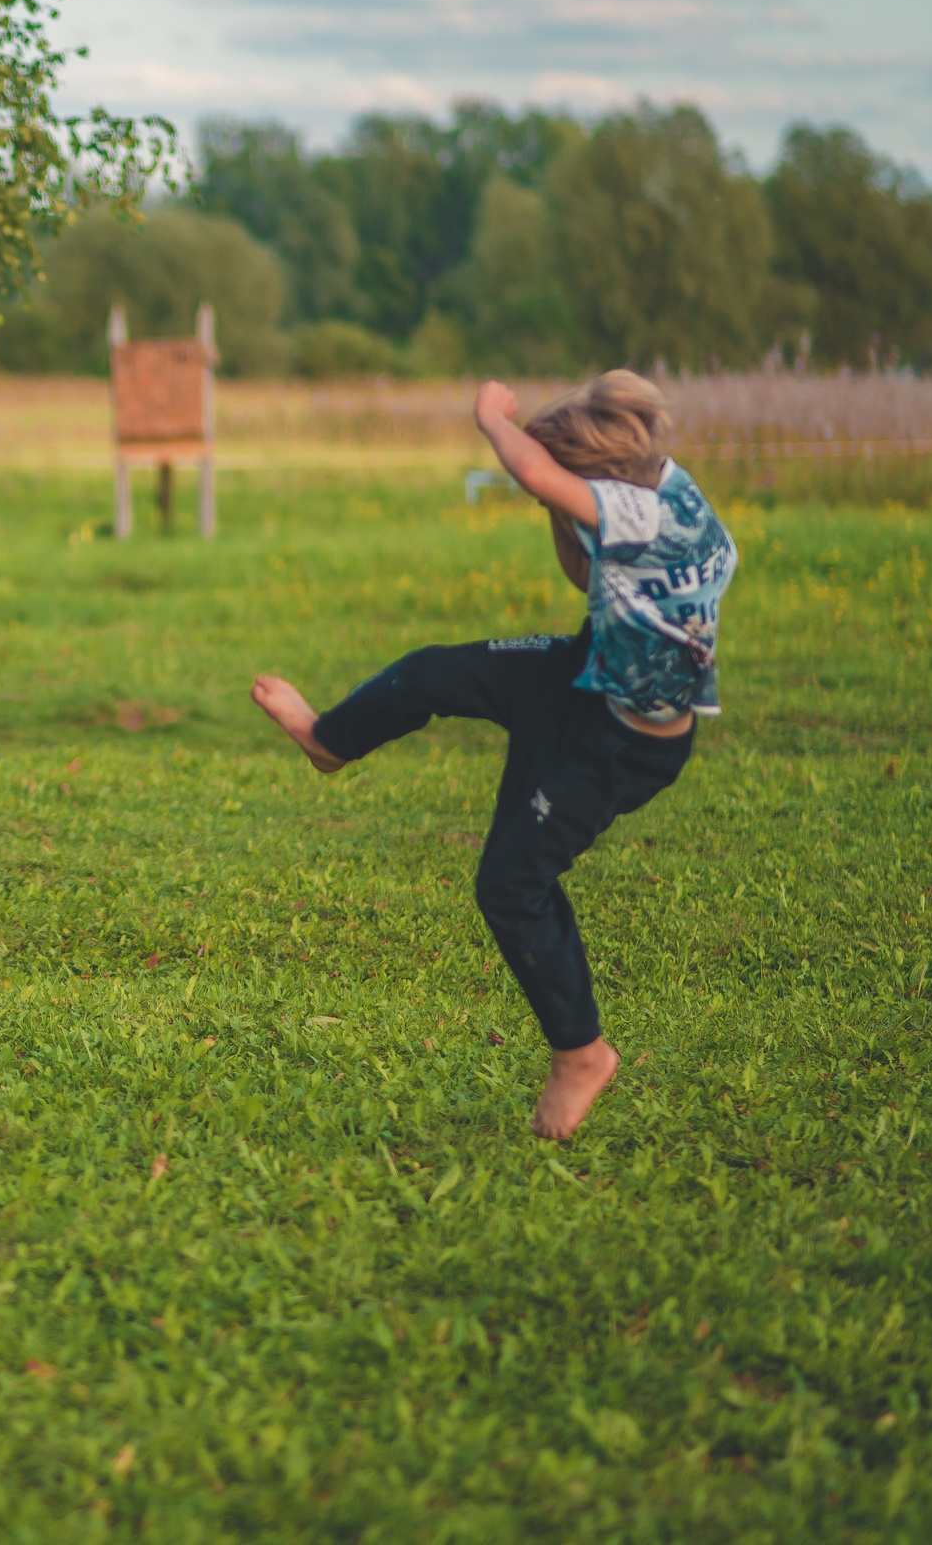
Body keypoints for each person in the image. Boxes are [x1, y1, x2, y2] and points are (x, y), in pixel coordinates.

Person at [251, 371, 736, 1140]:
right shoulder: (673, 486)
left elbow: (538, 471)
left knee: (511, 885)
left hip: (621, 746)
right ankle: (328, 740)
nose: (552, 513)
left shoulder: (636, 516)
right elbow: (590, 444)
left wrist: (491, 417)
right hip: (583, 677)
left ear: (593, 481)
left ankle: (582, 1053)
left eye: (558, 507)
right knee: (437, 669)